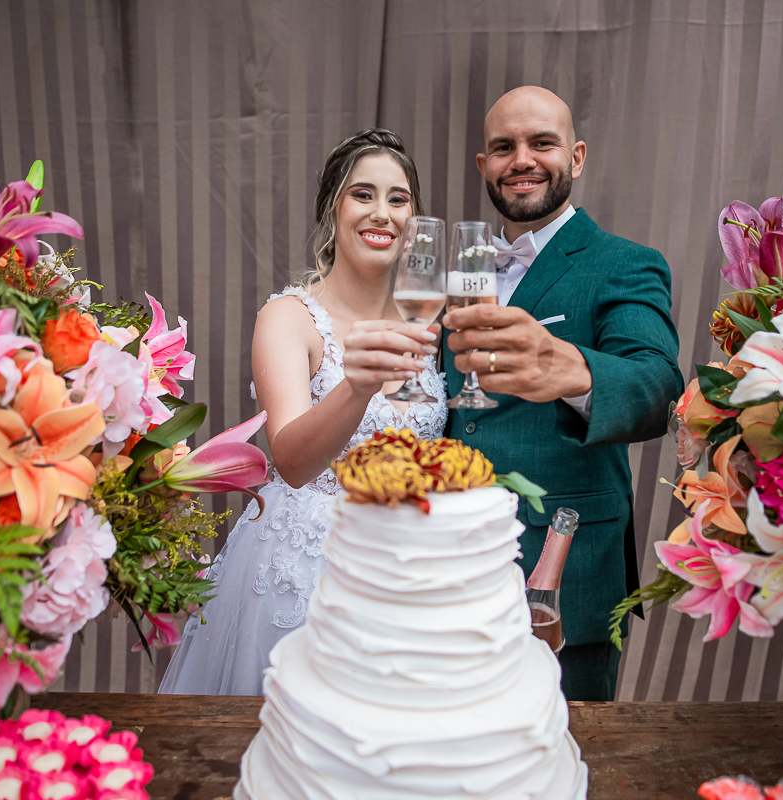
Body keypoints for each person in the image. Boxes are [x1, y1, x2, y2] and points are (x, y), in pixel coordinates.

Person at [160, 129, 446, 696]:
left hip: (414, 564)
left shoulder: (427, 320)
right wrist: (359, 384)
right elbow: (289, 460)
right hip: (310, 565)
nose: (382, 213)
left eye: (398, 199)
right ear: (332, 209)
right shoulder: (290, 318)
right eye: (362, 194)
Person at [443, 86, 683, 701]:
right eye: (504, 147)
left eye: (542, 143)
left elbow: (659, 388)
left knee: (566, 747)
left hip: (564, 575)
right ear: (484, 165)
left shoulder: (625, 263)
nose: (522, 159)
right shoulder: (461, 273)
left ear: (575, 157)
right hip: (447, 570)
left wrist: (568, 368)